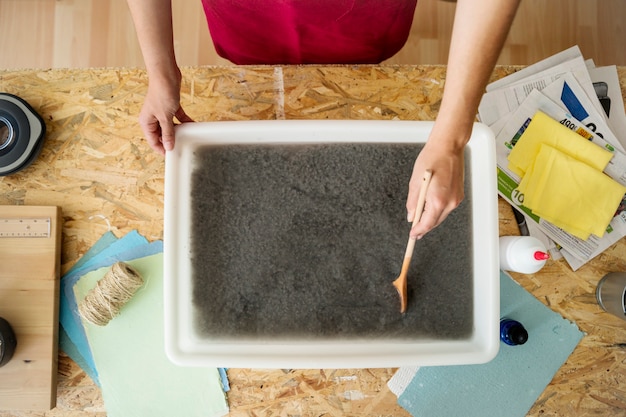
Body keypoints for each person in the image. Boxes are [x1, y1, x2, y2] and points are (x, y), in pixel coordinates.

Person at [126, 0, 520, 239]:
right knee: (252, 48)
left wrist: (450, 139)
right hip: (249, 19)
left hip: (364, 18)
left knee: (364, 52)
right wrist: (160, 70)